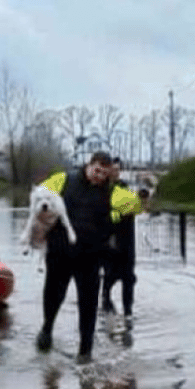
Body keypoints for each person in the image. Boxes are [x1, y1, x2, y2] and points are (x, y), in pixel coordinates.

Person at [35, 151, 116, 361]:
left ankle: (85, 351)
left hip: (90, 257)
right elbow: (37, 198)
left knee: (89, 304)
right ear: (89, 165)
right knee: (54, 296)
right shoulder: (64, 180)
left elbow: (113, 220)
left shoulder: (110, 192)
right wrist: (39, 230)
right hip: (60, 252)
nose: (99, 176)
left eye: (104, 174)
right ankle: (47, 329)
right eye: (97, 171)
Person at [101, 159, 144, 316]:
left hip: (127, 241)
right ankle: (105, 303)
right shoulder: (103, 190)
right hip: (109, 242)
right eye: (113, 170)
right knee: (108, 276)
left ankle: (128, 311)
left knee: (129, 278)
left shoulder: (125, 188)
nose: (115, 172)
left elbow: (136, 205)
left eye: (118, 170)